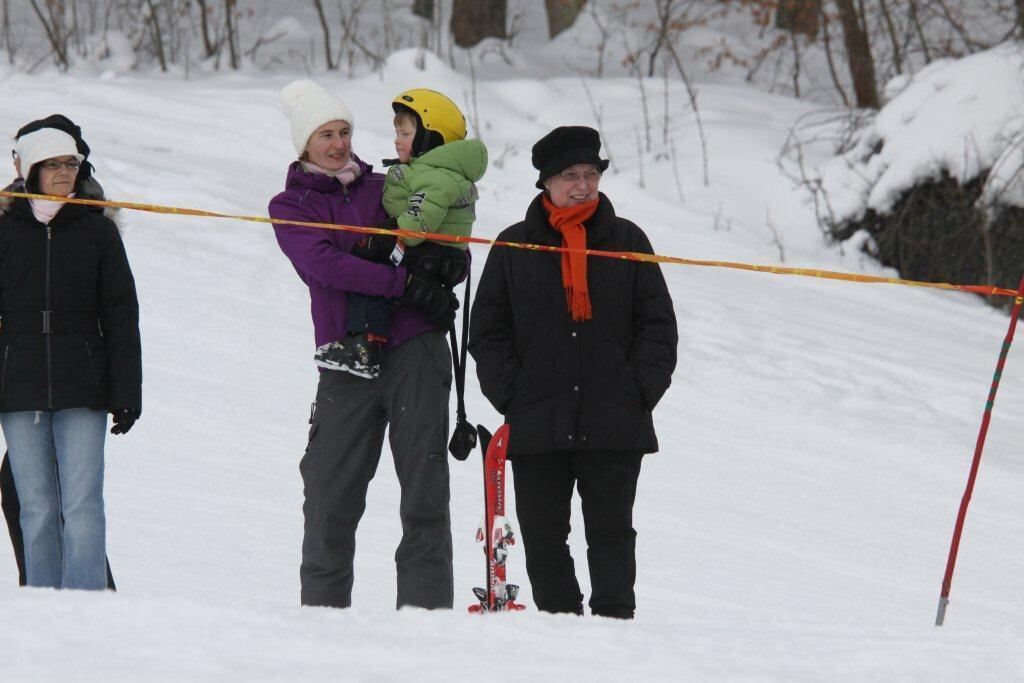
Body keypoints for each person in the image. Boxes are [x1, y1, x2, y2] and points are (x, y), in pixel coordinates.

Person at [469, 126, 678, 619]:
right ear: (545, 182)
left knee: (611, 532)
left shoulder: (627, 239)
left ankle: (614, 628)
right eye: (570, 176)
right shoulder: (516, 245)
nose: (583, 185)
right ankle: (560, 630)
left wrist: (637, 391)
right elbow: (489, 331)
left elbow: (657, 327)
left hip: (613, 417)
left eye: (591, 174)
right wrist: (514, 396)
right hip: (539, 417)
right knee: (543, 535)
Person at [268, 79, 460, 610]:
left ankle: (425, 626)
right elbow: (326, 266)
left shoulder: (390, 187)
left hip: (415, 346)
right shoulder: (291, 204)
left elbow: (435, 222)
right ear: (304, 144)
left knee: (424, 491)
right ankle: (324, 628)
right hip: (346, 357)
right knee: (330, 494)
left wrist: (444, 260)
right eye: (325, 134)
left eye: (344, 132)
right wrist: (402, 281)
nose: (337, 144)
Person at [0, 117, 142, 590]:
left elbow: (121, 316)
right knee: (36, 506)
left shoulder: (97, 232)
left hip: (84, 386)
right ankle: (43, 608)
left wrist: (127, 392)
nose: (64, 172)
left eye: (71, 163)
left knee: (82, 505)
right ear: (30, 169)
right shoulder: (4, 231)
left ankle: (88, 606)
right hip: (18, 388)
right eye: (53, 164)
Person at [313, 88, 485, 378]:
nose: (397, 140)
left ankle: (363, 346)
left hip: (427, 248)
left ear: (431, 137)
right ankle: (370, 341)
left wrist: (387, 236)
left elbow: (419, 218)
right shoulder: (430, 170)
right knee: (378, 269)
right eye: (397, 133)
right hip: (431, 248)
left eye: (405, 134)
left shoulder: (435, 176)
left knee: (373, 268)